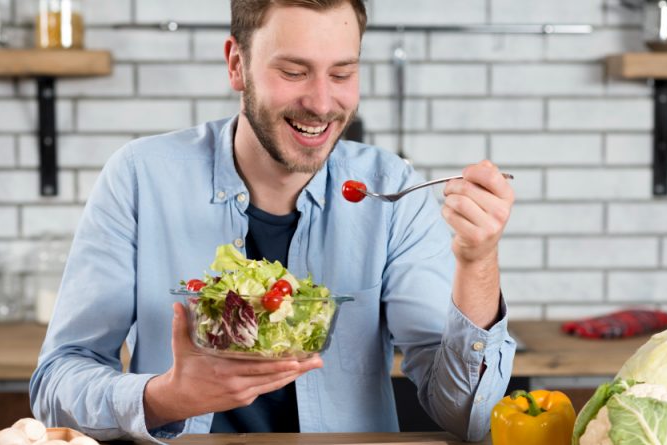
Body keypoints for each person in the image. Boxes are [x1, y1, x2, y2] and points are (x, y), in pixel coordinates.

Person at [29, 0, 517, 442]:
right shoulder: (140, 177)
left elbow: (468, 417)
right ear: (237, 65)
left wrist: (478, 261)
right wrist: (166, 397)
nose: (323, 103)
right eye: (294, 71)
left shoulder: (391, 190)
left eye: (342, 74)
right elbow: (56, 384)